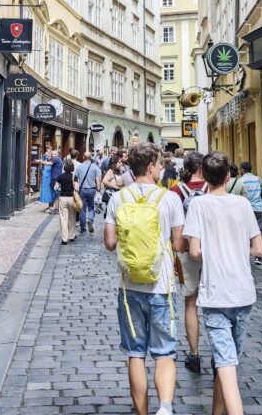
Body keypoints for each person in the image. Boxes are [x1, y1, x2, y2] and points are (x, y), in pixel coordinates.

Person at [104, 143, 185, 415]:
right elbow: (179, 244)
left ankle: (142, 412)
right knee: (165, 352)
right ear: (150, 167)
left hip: (129, 289)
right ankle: (164, 407)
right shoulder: (169, 198)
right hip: (161, 287)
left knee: (135, 353)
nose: (161, 169)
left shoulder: (118, 198)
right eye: (160, 164)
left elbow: (109, 243)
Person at [183, 151, 262, 415]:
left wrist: (214, 252)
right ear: (229, 176)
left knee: (226, 362)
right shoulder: (242, 204)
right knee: (227, 360)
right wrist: (237, 249)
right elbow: (259, 249)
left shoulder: (199, 204)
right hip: (242, 293)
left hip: (216, 293)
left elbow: (194, 251)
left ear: (204, 176)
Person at [172, 151, 206, 373]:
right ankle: (220, 355)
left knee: (190, 304)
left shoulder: (176, 191)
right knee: (216, 304)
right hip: (211, 251)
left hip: (185, 250)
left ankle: (194, 354)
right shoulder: (212, 186)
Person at [235, 162, 262, 264]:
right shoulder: (258, 179)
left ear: (242, 170)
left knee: (245, 232)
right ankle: (258, 257)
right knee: (258, 232)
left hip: (246, 209)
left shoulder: (240, 181)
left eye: (240, 169)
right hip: (258, 209)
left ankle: (244, 255)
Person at [75, 152, 102, 234]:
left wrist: (76, 189)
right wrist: (98, 190)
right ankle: (90, 219)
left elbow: (75, 179)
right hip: (92, 190)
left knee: (82, 210)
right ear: (91, 158)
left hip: (82, 190)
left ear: (83, 157)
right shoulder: (95, 167)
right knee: (91, 207)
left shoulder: (79, 167)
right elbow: (98, 179)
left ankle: (83, 229)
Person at [56, 159, 79, 245]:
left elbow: (56, 187)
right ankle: (72, 236)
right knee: (72, 217)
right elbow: (77, 188)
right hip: (72, 198)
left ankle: (64, 239)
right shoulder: (74, 177)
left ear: (64, 167)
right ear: (72, 168)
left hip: (63, 198)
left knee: (63, 218)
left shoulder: (61, 176)